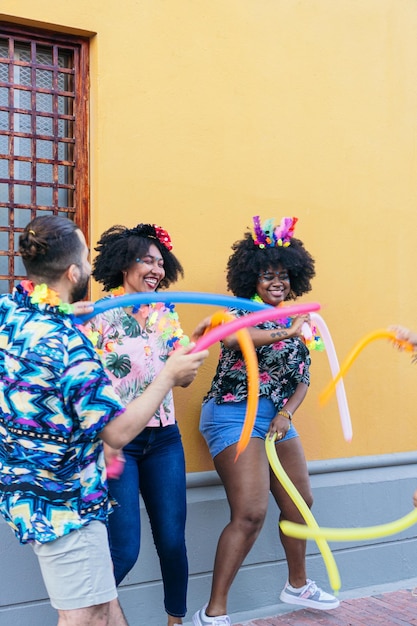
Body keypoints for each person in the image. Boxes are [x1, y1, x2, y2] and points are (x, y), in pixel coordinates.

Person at [0, 215, 208, 626]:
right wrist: (168, 374)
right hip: (66, 494)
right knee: (89, 612)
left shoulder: (14, 315)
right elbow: (115, 430)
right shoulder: (73, 337)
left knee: (106, 609)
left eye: (160, 261)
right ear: (75, 271)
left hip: (42, 488)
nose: (156, 269)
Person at [192, 216, 340, 626]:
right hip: (232, 413)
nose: (276, 282)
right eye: (266, 275)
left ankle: (297, 583)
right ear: (250, 280)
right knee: (251, 513)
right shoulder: (238, 313)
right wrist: (287, 333)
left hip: (275, 417)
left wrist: (286, 412)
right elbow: (231, 339)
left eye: (283, 275)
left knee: (300, 502)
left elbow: (303, 378)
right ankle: (212, 612)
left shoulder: (298, 319)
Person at [85, 223, 193, 626]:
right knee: (124, 550)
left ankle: (175, 622)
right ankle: (85, 616)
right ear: (123, 263)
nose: (155, 269)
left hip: (165, 440)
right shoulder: (98, 315)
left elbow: (183, 378)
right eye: (146, 260)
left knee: (172, 542)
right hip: (119, 444)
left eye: (160, 263)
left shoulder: (166, 311)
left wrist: (188, 360)